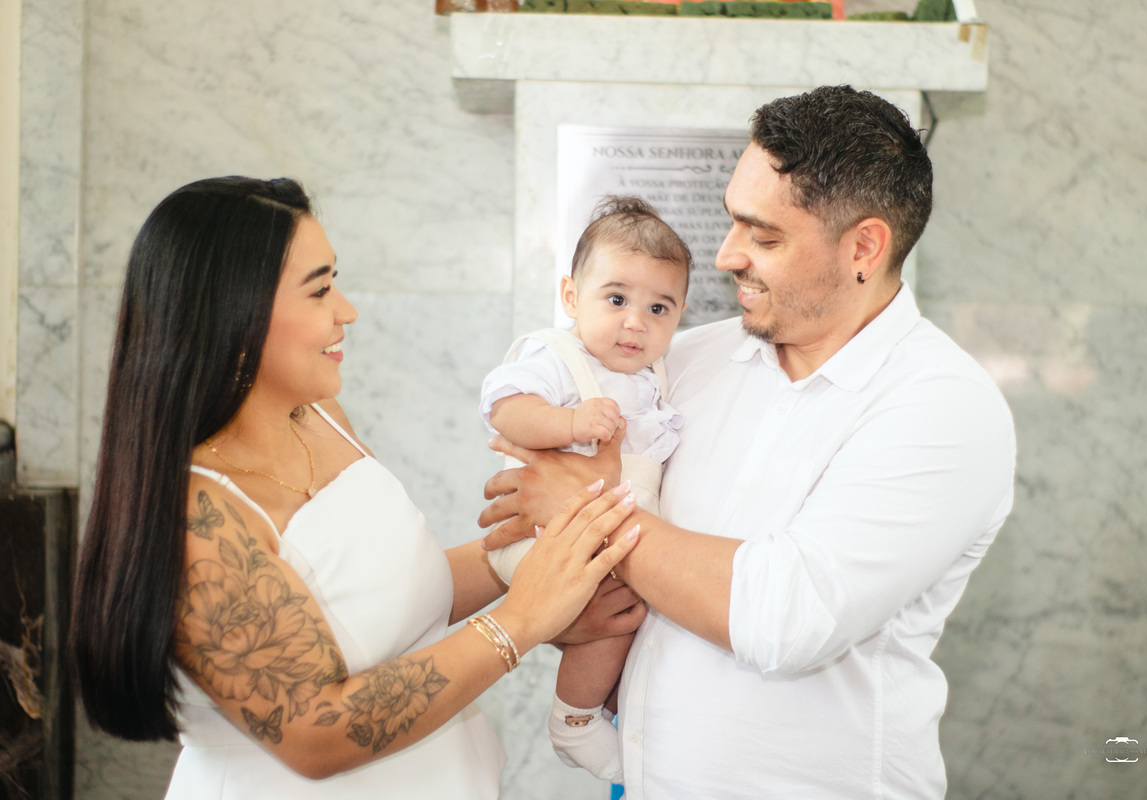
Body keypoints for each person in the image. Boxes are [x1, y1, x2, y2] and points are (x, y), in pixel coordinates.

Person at [478, 85, 1017, 798]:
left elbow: (783, 619)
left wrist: (590, 512)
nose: (728, 255)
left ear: (864, 247)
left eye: (763, 237)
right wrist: (566, 612)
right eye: (735, 224)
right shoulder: (684, 363)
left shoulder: (944, 407)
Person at [68, 176, 643, 799]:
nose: (347, 309)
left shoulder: (317, 417)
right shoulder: (197, 518)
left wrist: (540, 549)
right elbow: (317, 732)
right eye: (319, 289)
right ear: (233, 311)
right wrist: (522, 618)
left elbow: (387, 596)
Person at [479, 195, 690, 780]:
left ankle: (614, 707)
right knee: (620, 612)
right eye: (617, 299)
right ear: (572, 296)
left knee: (637, 610)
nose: (635, 321)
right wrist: (568, 424)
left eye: (658, 308)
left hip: (607, 527)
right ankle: (574, 721)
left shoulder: (653, 377)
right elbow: (505, 408)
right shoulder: (556, 353)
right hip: (550, 532)